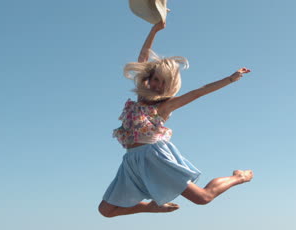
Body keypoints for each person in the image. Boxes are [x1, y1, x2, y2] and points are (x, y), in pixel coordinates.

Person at [98, 21, 253, 218]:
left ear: (169, 86)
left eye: (164, 83)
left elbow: (199, 92)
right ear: (148, 78)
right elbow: (143, 59)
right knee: (106, 210)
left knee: (203, 198)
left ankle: (238, 177)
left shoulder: (164, 106)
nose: (157, 85)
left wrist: (230, 79)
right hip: (132, 160)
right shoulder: (139, 100)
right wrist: (154, 30)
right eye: (155, 79)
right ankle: (149, 207)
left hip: (154, 157)